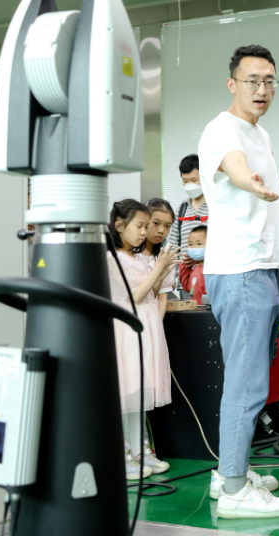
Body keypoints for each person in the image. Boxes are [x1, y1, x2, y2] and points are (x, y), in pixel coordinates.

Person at [198, 44, 279, 518]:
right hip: (241, 270)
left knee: (254, 379)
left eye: (269, 81)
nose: (262, 89)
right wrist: (254, 183)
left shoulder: (259, 133)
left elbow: (252, 199)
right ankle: (234, 490)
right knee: (247, 386)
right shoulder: (222, 129)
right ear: (232, 84)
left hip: (262, 268)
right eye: (252, 81)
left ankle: (231, 470)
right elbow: (235, 169)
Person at [107, 200, 178, 480]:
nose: (143, 232)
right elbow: (133, 297)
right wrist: (158, 268)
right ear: (119, 226)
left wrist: (161, 271)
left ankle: (139, 450)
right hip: (127, 328)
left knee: (139, 390)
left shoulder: (139, 258)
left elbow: (152, 292)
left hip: (147, 326)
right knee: (126, 390)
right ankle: (121, 453)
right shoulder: (112, 258)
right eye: (140, 226)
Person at [167, 154, 209, 298]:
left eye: (194, 180)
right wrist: (172, 278)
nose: (189, 184)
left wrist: (202, 258)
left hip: (211, 278)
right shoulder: (182, 209)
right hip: (186, 282)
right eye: (185, 181)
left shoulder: (216, 207)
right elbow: (173, 246)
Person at [142, 198, 177, 314]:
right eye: (156, 223)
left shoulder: (164, 258)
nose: (161, 230)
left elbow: (162, 299)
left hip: (152, 317)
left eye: (167, 226)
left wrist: (157, 323)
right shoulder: (129, 254)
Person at [181, 225, 209, 305]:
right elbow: (186, 287)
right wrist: (184, 263)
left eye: (199, 244)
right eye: (190, 244)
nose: (194, 248)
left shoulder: (213, 269)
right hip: (194, 309)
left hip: (208, 310)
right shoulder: (195, 269)